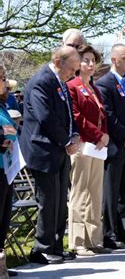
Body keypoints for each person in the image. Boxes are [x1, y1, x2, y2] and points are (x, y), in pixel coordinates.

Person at [20, 46, 80, 264]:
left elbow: (68, 115)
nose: (73, 74)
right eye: (71, 69)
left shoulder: (60, 83)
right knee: (48, 200)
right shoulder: (41, 81)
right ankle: (42, 248)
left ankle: (55, 245)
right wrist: (66, 140)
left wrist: (73, 135)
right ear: (58, 61)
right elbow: (45, 117)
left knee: (59, 201)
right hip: (42, 149)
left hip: (59, 149)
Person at [95, 44, 125, 249]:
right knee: (111, 192)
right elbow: (108, 114)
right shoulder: (104, 84)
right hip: (115, 146)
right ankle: (110, 234)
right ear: (114, 60)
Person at [66, 45, 111, 256]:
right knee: (80, 193)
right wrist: (97, 135)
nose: (91, 64)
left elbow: (103, 115)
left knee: (95, 193)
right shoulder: (72, 86)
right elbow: (77, 117)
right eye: (86, 60)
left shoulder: (94, 88)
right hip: (83, 144)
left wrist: (105, 135)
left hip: (97, 146)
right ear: (77, 63)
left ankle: (94, 239)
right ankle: (77, 241)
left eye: (93, 60)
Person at [0, 66, 19, 278]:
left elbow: (11, 128)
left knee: (4, 217)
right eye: (3, 79)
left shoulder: (3, 106)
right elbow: (7, 130)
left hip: (6, 167)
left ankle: (1, 264)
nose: (6, 83)